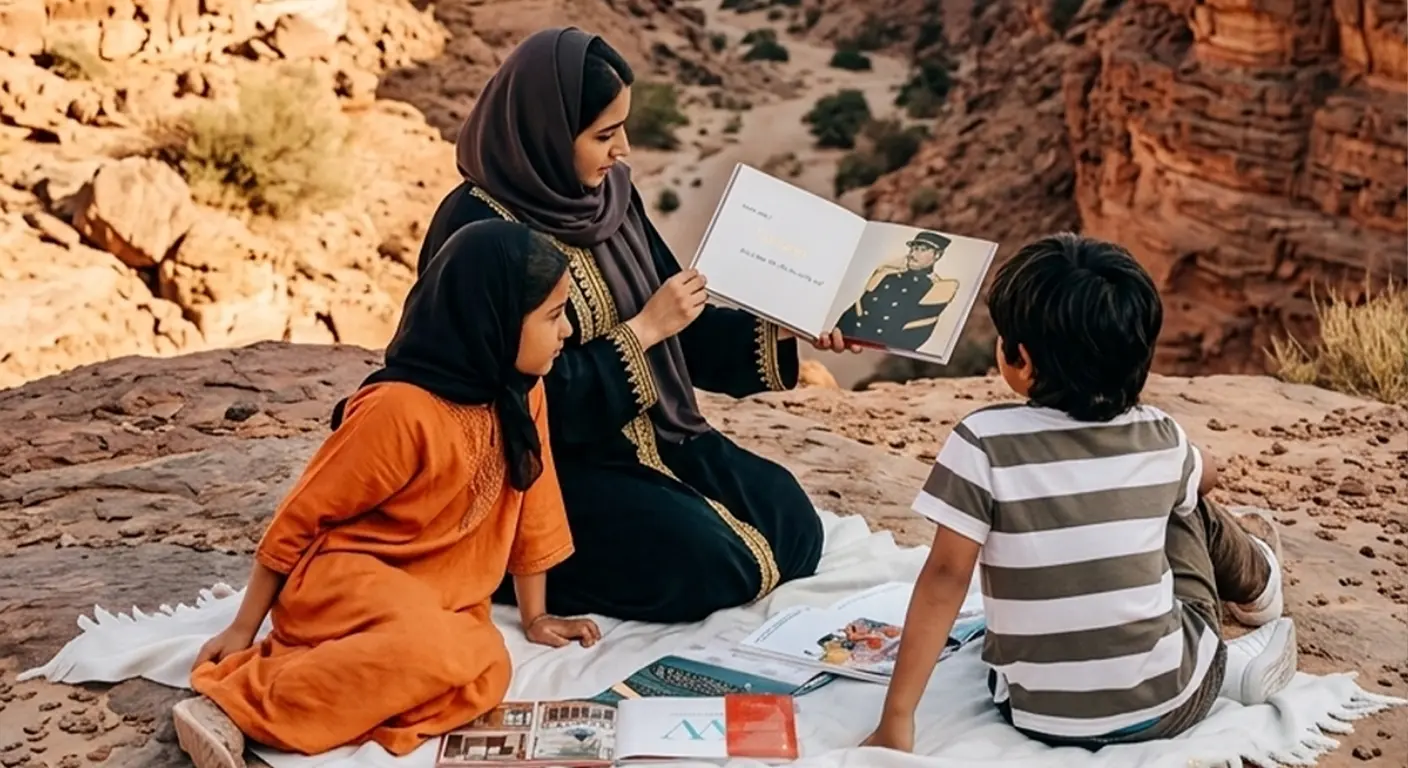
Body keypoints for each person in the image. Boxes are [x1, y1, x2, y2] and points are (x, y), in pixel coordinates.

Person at [414, 27, 857, 624]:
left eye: (623, 127)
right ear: (547, 133)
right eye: (603, 134)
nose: (622, 149)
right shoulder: (477, 228)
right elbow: (507, 399)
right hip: (551, 464)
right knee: (707, 562)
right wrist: (643, 332)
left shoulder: (608, 197)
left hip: (657, 436)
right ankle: (503, 560)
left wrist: (792, 327)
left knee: (793, 522)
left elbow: (687, 329)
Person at [171, 220, 601, 768]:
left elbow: (532, 503)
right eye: (553, 315)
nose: (566, 332)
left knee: (487, 663)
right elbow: (300, 518)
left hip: (436, 597)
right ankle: (235, 704)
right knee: (437, 653)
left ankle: (342, 698)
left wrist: (536, 617)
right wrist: (241, 628)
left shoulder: (522, 393)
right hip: (345, 581)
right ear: (491, 319)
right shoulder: (398, 410)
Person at [862, 233, 1296, 752]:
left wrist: (897, 719)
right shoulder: (1159, 435)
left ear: (1019, 359)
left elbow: (946, 575)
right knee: (1185, 502)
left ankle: (1243, 621)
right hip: (1172, 706)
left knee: (1170, 492)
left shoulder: (980, 442)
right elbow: (1209, 477)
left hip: (1035, 715)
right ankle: (1259, 584)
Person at [835, 230, 959, 351]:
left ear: (937, 255)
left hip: (878, 351)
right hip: (849, 341)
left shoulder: (935, 291)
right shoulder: (888, 276)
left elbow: (915, 334)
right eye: (914, 248)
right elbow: (859, 308)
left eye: (922, 250)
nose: (913, 254)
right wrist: (839, 331)